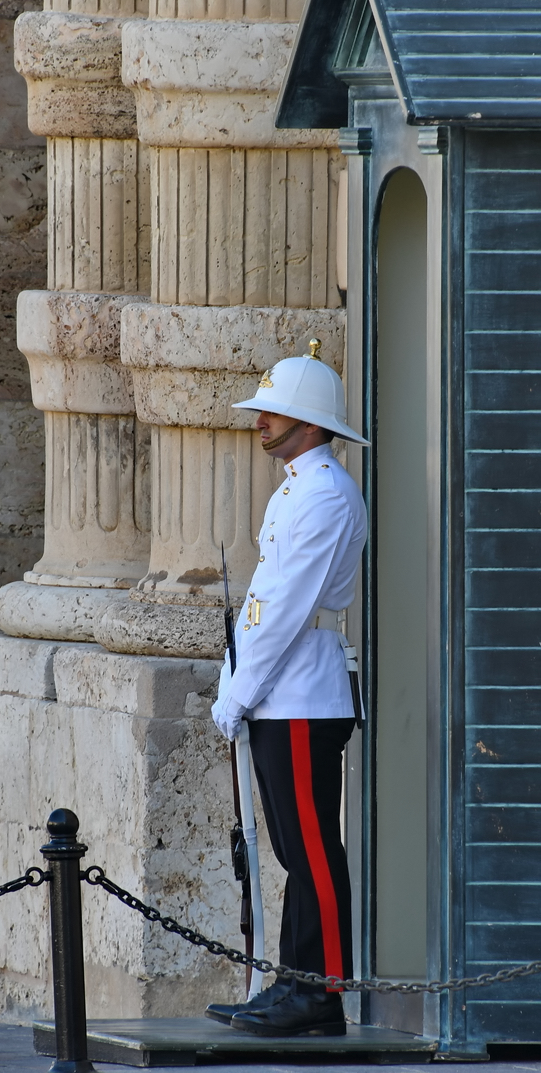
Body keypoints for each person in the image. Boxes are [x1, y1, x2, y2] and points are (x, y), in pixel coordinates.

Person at [206, 340, 369, 1038]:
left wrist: (239, 692)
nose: (260, 422)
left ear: (308, 422)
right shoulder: (300, 486)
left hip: (301, 693)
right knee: (292, 851)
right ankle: (295, 983)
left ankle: (322, 992)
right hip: (283, 690)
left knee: (311, 850)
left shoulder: (325, 493)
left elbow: (287, 605)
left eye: (272, 412)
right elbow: (264, 602)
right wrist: (236, 681)